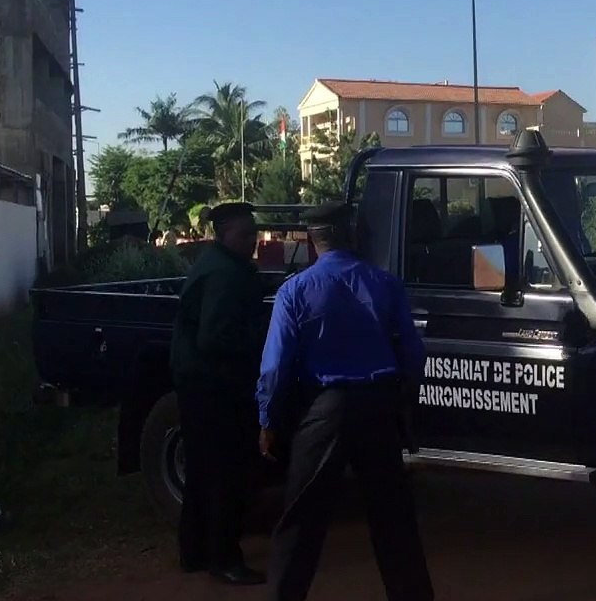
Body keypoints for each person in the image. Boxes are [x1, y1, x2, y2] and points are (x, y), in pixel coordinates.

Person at [256, 201, 432, 601]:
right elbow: (413, 354)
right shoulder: (385, 283)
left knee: (301, 518)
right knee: (393, 517)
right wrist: (404, 400)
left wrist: (268, 420)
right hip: (378, 408)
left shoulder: (294, 291)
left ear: (310, 240)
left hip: (325, 411)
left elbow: (275, 368)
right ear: (351, 236)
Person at [169, 201, 267, 585]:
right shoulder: (226, 275)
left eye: (254, 233)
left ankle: (194, 551)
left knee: (202, 471)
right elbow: (215, 338)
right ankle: (225, 557)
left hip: (198, 383)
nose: (253, 241)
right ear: (223, 234)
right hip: (215, 387)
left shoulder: (218, 264)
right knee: (227, 475)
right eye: (245, 235)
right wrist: (259, 341)